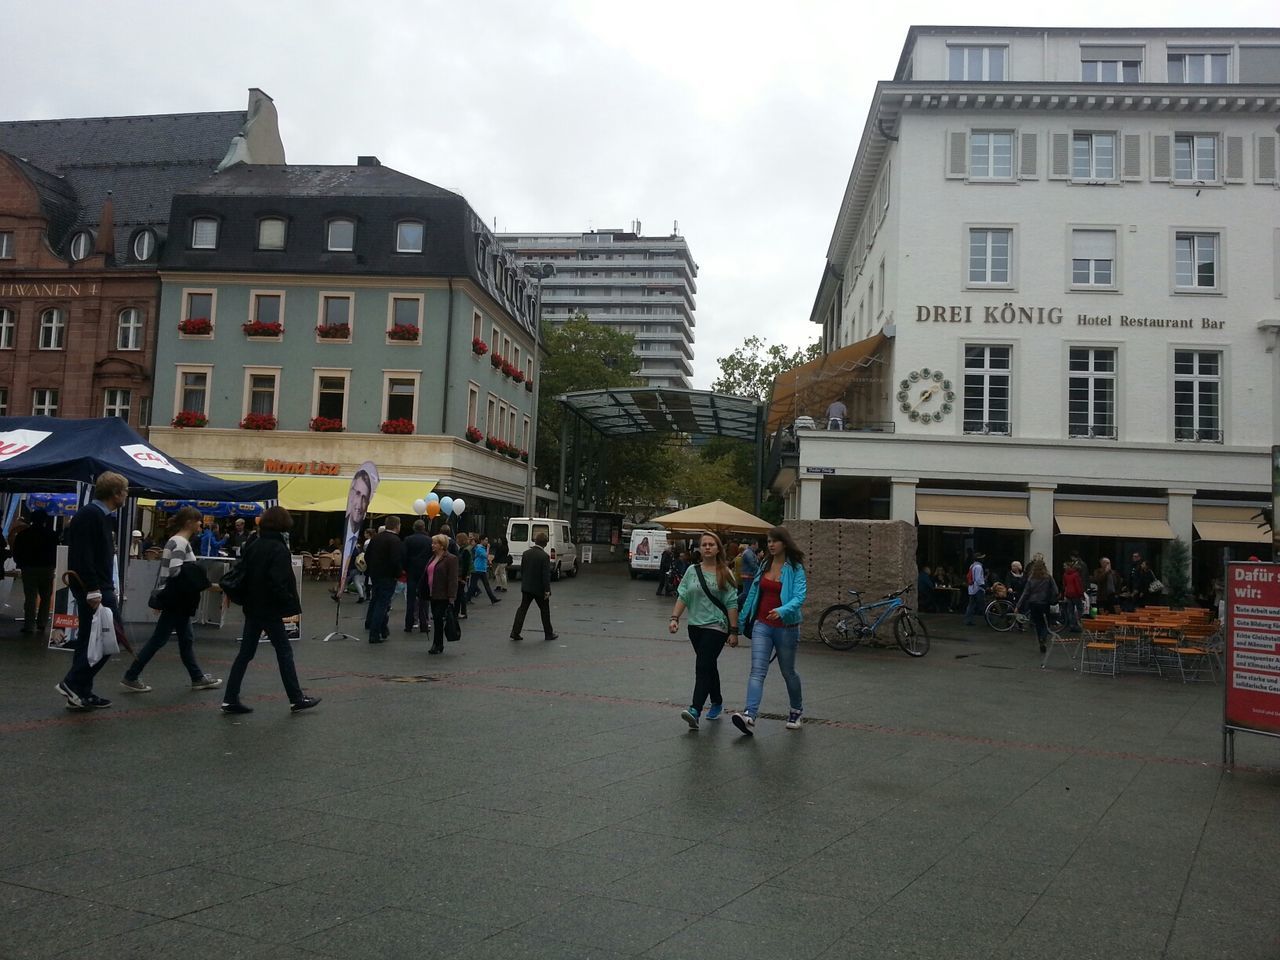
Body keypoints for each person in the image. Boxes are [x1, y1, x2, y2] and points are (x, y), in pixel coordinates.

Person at [221, 506, 319, 714]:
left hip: (252, 605)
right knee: (284, 652)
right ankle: (296, 697)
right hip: (270, 608)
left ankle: (230, 697)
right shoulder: (279, 548)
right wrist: (287, 601)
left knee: (245, 653)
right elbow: (278, 581)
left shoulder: (254, 544)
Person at [120, 506, 221, 692]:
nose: (201, 524)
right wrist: (197, 576)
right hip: (177, 598)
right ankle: (131, 675)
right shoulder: (180, 542)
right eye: (199, 520)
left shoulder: (176, 541)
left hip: (175, 597)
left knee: (184, 638)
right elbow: (175, 570)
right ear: (190, 522)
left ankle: (196, 676)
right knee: (161, 639)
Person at [56, 471, 129, 710]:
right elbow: (82, 555)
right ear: (116, 493)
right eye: (125, 491)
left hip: (97, 586)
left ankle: (81, 692)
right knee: (110, 638)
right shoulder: (91, 515)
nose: (127, 495)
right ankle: (72, 683)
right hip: (95, 588)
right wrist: (93, 589)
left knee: (89, 640)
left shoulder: (101, 516)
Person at [733, 525, 807, 735]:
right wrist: (739, 622)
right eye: (768, 541)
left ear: (784, 542)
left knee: (788, 672)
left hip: (787, 627)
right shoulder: (764, 563)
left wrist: (782, 610)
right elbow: (753, 594)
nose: (771, 545)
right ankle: (750, 715)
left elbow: (800, 596)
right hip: (762, 625)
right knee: (757, 670)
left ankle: (796, 710)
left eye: (775, 541)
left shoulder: (795, 568)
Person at [669, 532, 739, 729]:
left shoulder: (725, 572)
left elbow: (731, 602)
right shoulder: (692, 570)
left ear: (718, 548)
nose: (707, 547)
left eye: (711, 544)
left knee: (702, 665)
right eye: (704, 544)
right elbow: (683, 595)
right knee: (708, 665)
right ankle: (716, 700)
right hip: (695, 626)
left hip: (717, 626)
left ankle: (695, 710)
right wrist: (674, 618)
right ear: (699, 548)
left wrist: (734, 631)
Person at [13, 510, 58, 636]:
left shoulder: (23, 534)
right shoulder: (52, 535)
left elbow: (17, 551)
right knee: (45, 597)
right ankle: (42, 623)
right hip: (47, 569)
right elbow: (56, 552)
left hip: (29, 569)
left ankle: (29, 625)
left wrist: (21, 564)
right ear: (45, 520)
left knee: (30, 598)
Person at [509, 531, 556, 641]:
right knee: (545, 611)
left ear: (535, 541)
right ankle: (548, 633)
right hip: (539, 589)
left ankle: (515, 632)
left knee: (522, 609)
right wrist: (547, 590)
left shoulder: (526, 553)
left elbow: (523, 569)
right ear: (545, 543)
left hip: (527, 586)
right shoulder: (545, 556)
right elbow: (545, 575)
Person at [363, 515, 402, 644]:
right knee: (383, 603)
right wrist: (397, 574)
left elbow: (367, 556)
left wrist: (371, 569)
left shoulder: (376, 538)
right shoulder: (395, 540)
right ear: (397, 526)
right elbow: (396, 560)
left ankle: (382, 628)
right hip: (388, 576)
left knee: (376, 599)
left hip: (375, 575)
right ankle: (375, 633)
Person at [421, 534, 459, 655]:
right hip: (432, 593)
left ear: (442, 546)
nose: (432, 545)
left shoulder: (450, 559)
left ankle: (437, 644)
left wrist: (451, 596)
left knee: (437, 618)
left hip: (443, 594)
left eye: (435, 543)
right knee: (436, 618)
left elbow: (452, 578)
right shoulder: (432, 558)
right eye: (432, 543)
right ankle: (438, 643)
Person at [1015, 557, 1058, 654]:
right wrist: (1052, 597)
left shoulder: (1031, 578)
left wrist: (1018, 605)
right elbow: (1055, 590)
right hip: (1044, 603)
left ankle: (1040, 640)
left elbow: (1025, 593)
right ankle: (1043, 638)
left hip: (1033, 603)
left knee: (1038, 623)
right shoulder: (1048, 577)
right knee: (1045, 623)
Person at [401, 519, 433, 632]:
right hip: (424, 572)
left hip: (412, 572)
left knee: (411, 599)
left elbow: (403, 556)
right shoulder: (429, 540)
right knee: (424, 599)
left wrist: (405, 569)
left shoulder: (408, 540)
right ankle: (424, 624)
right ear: (423, 527)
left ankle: (408, 624)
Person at [467, 535, 500, 604]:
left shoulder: (481, 548)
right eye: (485, 540)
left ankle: (493, 598)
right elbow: (485, 556)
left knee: (486, 585)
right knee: (473, 585)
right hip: (477, 569)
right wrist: (488, 548)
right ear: (481, 540)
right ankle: (467, 598)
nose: (487, 542)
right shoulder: (479, 548)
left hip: (482, 569)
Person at [962, 551, 987, 627]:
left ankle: (968, 620)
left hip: (971, 588)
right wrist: (984, 586)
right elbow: (978, 579)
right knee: (983, 605)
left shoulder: (972, 565)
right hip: (978, 589)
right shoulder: (978, 567)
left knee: (971, 605)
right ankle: (990, 620)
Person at [1061, 560, 1085, 633]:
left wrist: (1064, 593)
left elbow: (1064, 585)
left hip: (1068, 594)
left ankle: (1072, 625)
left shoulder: (1065, 574)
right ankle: (1077, 623)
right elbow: (1078, 585)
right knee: (1079, 609)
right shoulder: (1076, 574)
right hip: (1076, 594)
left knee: (1070, 610)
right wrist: (1081, 594)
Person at [454, 533, 473, 620]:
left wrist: (463, 577)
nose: (456, 540)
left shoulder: (465, 550)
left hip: (462, 575)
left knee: (460, 594)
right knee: (460, 594)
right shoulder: (464, 549)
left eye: (457, 539)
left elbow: (465, 565)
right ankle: (460, 612)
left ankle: (461, 612)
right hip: (462, 575)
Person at [739, 538, 760, 606]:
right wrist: (759, 570)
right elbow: (752, 564)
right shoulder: (748, 552)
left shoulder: (749, 552)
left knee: (747, 592)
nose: (757, 547)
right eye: (757, 545)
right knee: (746, 592)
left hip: (749, 575)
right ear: (753, 545)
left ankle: (741, 603)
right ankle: (738, 603)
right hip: (748, 575)